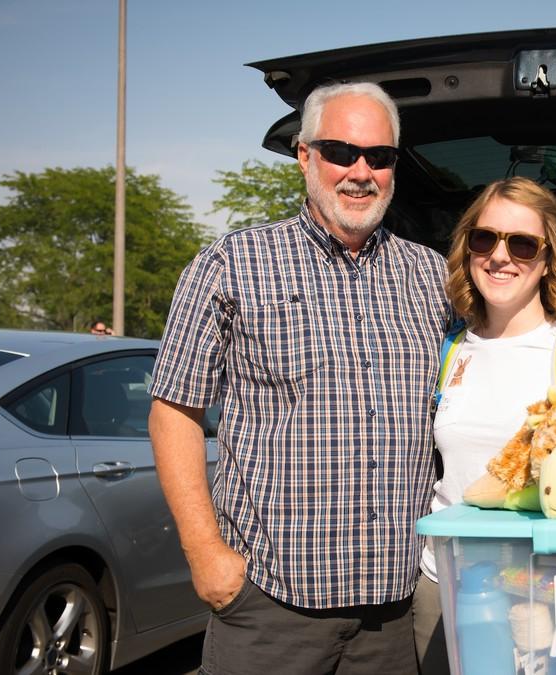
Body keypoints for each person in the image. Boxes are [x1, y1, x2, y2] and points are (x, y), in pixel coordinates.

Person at [149, 81, 448, 675]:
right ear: (305, 156)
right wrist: (205, 552)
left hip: (394, 613)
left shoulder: (431, 276)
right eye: (341, 151)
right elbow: (173, 410)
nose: (360, 171)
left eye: (380, 157)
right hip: (269, 605)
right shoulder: (231, 264)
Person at [412, 177, 556, 674]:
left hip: (554, 591)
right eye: (485, 238)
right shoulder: (448, 349)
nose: (500, 257)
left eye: (522, 244)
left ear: (547, 260)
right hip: (448, 583)